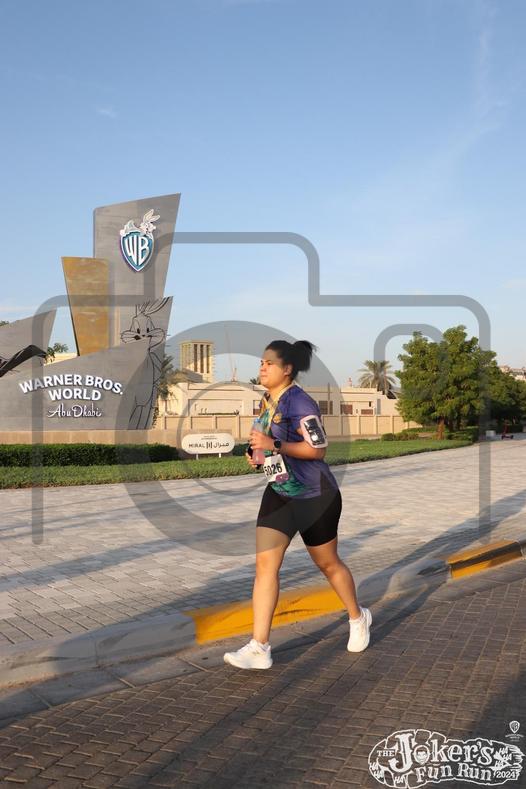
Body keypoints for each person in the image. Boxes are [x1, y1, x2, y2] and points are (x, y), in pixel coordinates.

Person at [223, 340, 371, 670]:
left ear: (287, 369)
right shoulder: (267, 400)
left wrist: (274, 443)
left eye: (269, 363)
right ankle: (259, 647)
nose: (262, 367)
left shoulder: (300, 402)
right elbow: (263, 442)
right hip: (279, 492)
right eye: (261, 362)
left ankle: (358, 617)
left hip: (315, 496)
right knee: (265, 566)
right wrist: (256, 454)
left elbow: (317, 450)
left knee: (328, 564)